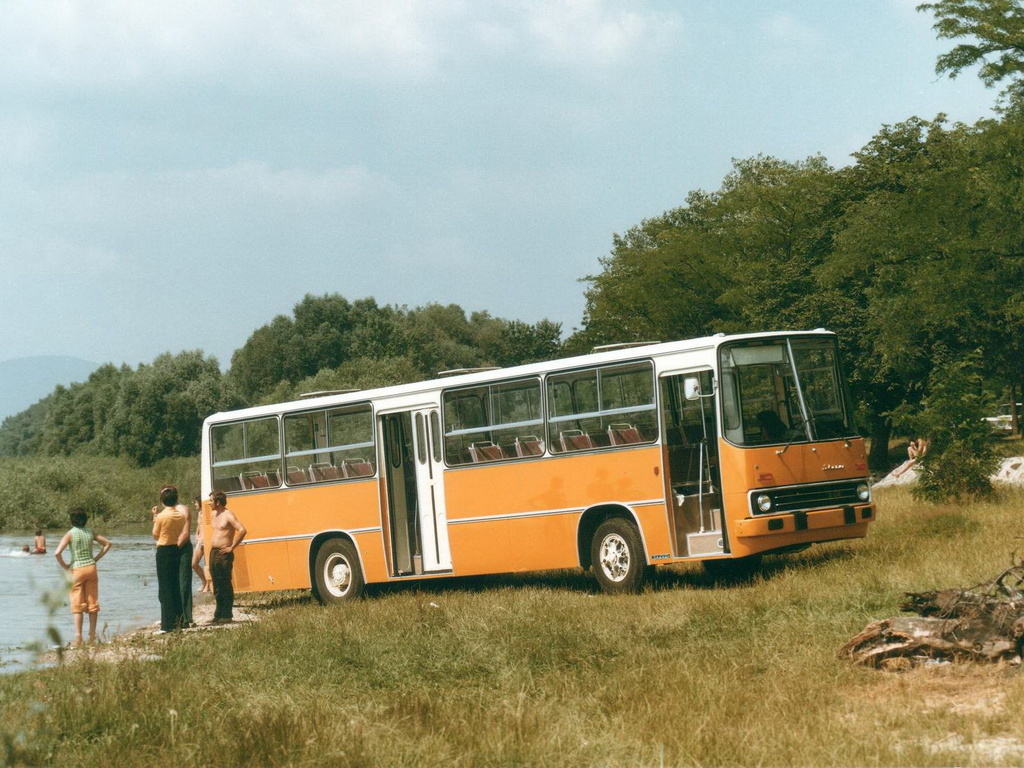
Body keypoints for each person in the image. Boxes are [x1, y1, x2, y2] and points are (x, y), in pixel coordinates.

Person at [53, 509, 112, 646]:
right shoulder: (90, 532)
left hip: (76, 569)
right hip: (91, 568)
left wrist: (65, 567)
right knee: (92, 602)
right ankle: (92, 636)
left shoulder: (70, 534)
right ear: (85, 519)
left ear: (71, 520)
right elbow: (108, 543)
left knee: (77, 604)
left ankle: (78, 637)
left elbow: (57, 553)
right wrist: (96, 558)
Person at [152, 486, 189, 633]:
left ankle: (167, 625)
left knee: (165, 588)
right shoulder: (181, 516)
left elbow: (155, 534)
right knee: (175, 586)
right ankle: (179, 620)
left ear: (163, 501)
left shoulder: (161, 516)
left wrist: (155, 518)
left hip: (164, 550)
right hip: (176, 549)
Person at [208, 490, 246, 624]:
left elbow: (242, 530)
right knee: (216, 584)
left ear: (218, 502)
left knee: (225, 583)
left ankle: (227, 614)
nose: (209, 503)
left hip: (224, 553)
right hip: (214, 552)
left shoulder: (228, 515)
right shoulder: (213, 514)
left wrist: (232, 547)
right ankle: (218, 613)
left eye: (211, 501)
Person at [190, 496, 211, 593]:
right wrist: (196, 534)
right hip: (200, 541)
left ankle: (208, 584)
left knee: (207, 564)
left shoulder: (208, 513)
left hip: (206, 541)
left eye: (196, 503)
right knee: (194, 563)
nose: (195, 504)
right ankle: (204, 581)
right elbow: (199, 525)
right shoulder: (200, 513)